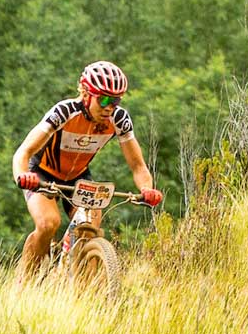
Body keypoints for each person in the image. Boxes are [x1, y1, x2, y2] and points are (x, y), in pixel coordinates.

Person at [12, 60, 163, 278]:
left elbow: (138, 165)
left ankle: (78, 286)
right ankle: (23, 285)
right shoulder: (64, 112)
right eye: (103, 99)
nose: (109, 107)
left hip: (78, 177)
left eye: (115, 100)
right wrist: (22, 175)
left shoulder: (118, 119)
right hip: (43, 173)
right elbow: (23, 152)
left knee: (89, 227)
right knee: (48, 223)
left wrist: (147, 189)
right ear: (85, 93)